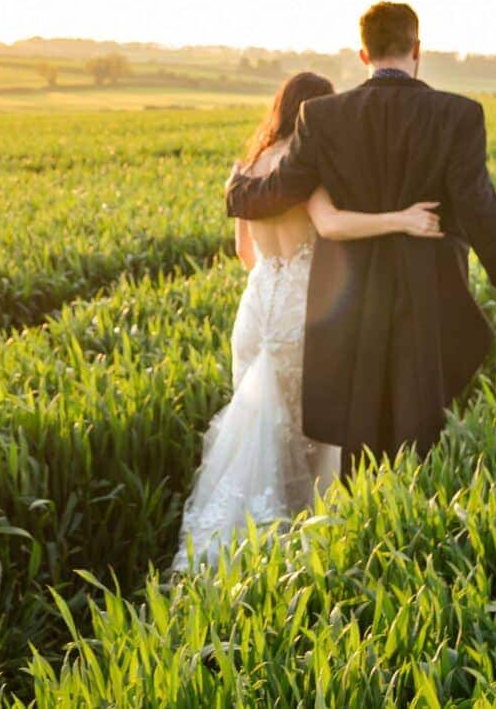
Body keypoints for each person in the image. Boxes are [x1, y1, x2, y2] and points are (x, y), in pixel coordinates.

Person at [225, 2, 496, 478]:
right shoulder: (459, 115)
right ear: (418, 49)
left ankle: (359, 519)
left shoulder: (321, 117)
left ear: (363, 55)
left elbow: (280, 191)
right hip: (430, 292)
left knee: (360, 431)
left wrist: (237, 191)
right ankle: (413, 520)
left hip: (352, 299)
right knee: (422, 427)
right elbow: (481, 210)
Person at [174, 70, 443, 569]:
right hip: (301, 310)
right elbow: (332, 224)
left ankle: (235, 553)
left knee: (260, 429)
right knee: (315, 433)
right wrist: (402, 218)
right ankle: (308, 550)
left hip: (256, 309)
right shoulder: (305, 166)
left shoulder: (248, 167)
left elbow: (244, 252)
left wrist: (278, 265)